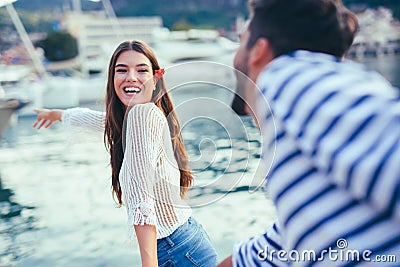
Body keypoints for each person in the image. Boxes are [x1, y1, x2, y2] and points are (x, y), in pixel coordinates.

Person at [219, 0, 400, 266]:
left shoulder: (284, 74)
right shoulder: (301, 147)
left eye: (241, 39)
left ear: (258, 51)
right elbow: (272, 251)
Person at [33, 40, 218, 267]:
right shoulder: (138, 116)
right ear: (112, 78)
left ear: (156, 79)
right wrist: (58, 114)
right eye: (122, 70)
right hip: (185, 241)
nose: (131, 76)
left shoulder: (142, 115)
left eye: (142, 70)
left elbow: (142, 199)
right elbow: (102, 122)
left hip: (175, 250)